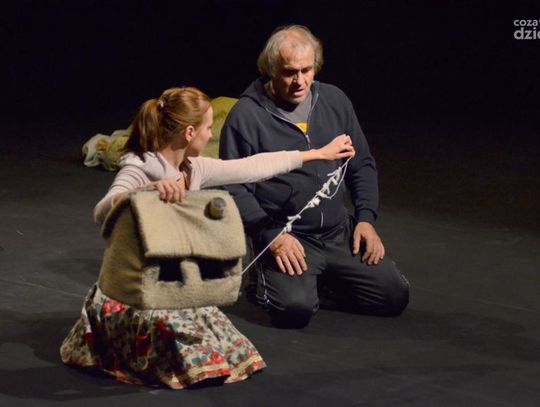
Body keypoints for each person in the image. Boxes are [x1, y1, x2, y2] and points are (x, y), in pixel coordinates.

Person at [60, 86, 355, 389]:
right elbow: (102, 211)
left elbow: (251, 167)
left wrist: (317, 154)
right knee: (189, 357)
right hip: (137, 289)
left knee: (232, 353)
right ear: (189, 133)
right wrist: (144, 191)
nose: (211, 134)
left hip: (170, 283)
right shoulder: (140, 167)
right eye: (209, 128)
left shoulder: (194, 167)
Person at [219, 25, 410, 329]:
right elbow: (234, 186)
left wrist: (365, 219)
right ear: (271, 70)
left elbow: (361, 163)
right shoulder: (247, 115)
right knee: (294, 310)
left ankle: (321, 281)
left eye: (306, 70)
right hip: (288, 235)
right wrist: (271, 236)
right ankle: (267, 278)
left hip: (336, 233)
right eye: (289, 72)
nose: (300, 81)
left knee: (394, 296)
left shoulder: (334, 100)